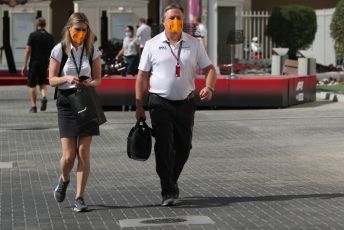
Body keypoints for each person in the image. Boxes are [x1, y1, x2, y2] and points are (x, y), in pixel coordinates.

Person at [135, 4, 217, 206]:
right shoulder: (152, 44)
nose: (175, 21)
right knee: (164, 146)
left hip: (186, 104)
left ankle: (171, 179)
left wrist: (209, 87)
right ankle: (168, 190)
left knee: (184, 147)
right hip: (159, 103)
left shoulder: (194, 43)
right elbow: (142, 76)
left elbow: (210, 68)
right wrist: (139, 105)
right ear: (163, 21)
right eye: (171, 18)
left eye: (179, 18)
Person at [48, 12, 102, 212]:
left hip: (86, 100)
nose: (80, 33)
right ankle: (64, 179)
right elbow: (51, 79)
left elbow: (98, 79)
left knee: (83, 152)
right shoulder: (59, 49)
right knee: (69, 156)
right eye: (77, 29)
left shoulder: (92, 50)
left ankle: (80, 197)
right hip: (67, 102)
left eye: (84, 30)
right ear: (69, 29)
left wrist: (90, 82)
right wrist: (67, 79)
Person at [21, 17, 54, 113]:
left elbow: (28, 50)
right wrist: (50, 65)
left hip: (34, 63)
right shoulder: (50, 37)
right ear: (45, 25)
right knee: (42, 82)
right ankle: (44, 97)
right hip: (45, 63)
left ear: (37, 25)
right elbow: (52, 53)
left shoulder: (33, 35)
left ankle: (33, 106)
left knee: (32, 85)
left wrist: (24, 65)